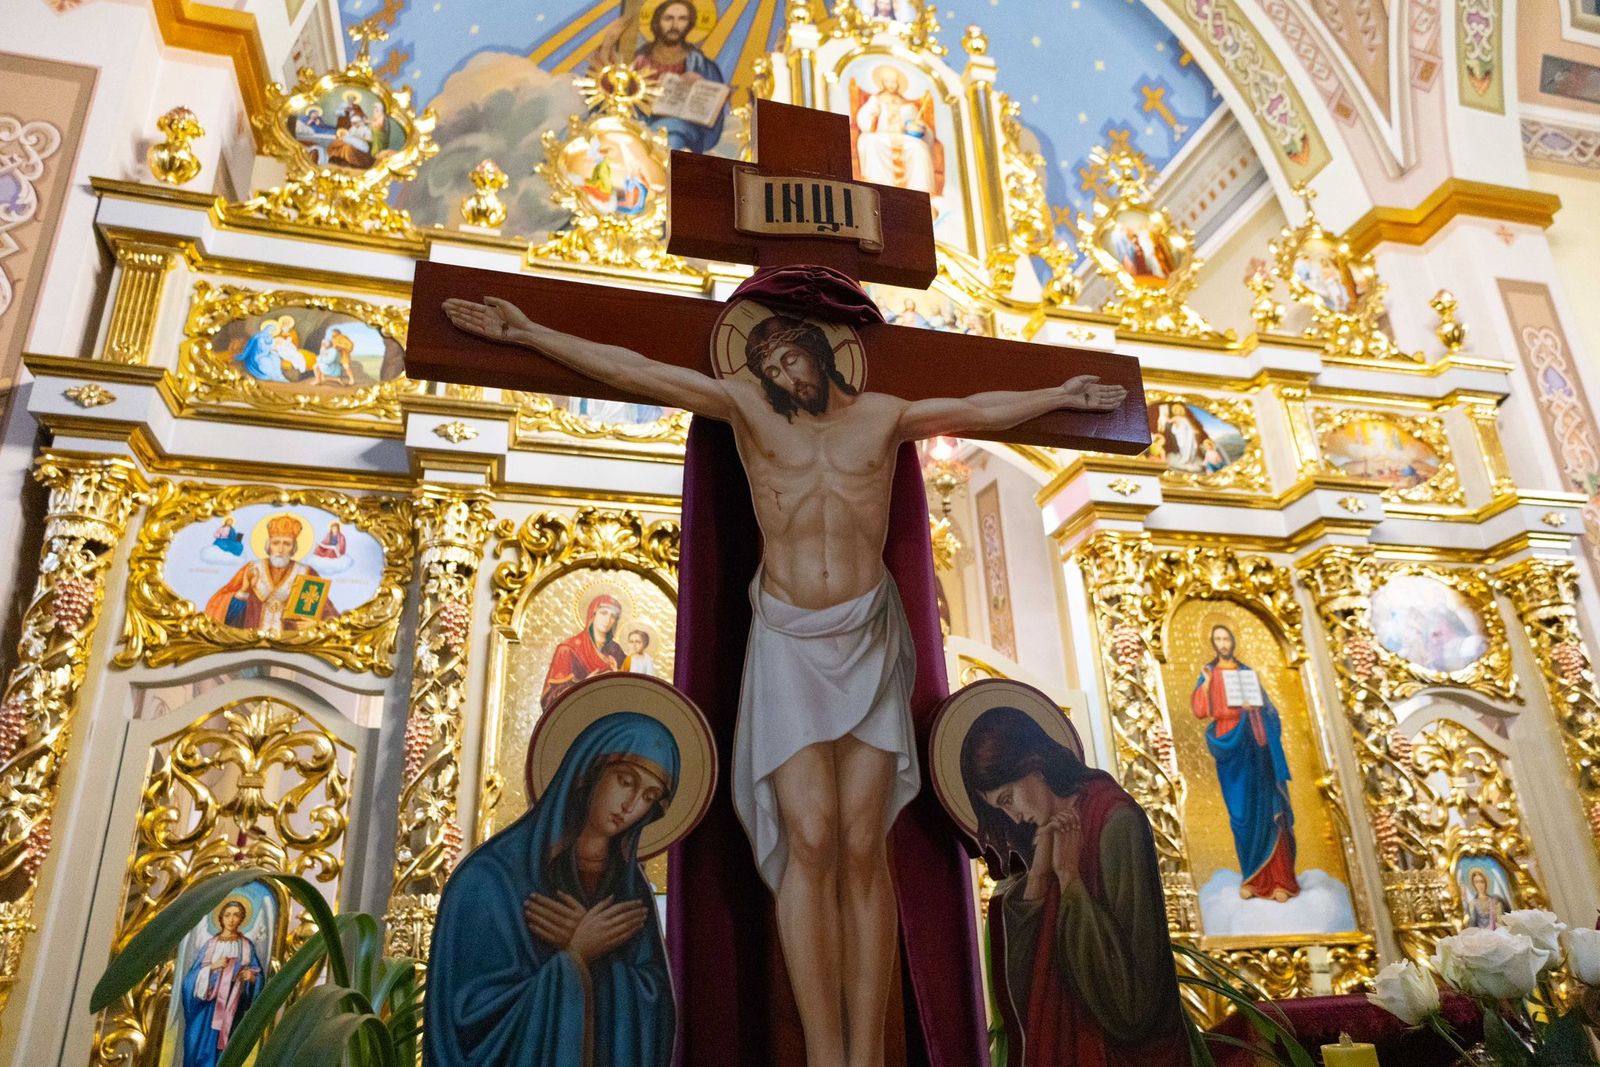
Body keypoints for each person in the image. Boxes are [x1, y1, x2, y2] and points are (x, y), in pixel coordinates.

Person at [442, 273, 1124, 1067]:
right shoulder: (748, 410)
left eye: (786, 359)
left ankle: (865, 1053)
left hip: (868, 635)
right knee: (810, 838)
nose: (776, 374)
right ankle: (825, 1051)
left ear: (817, 353)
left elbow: (976, 407)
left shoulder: (882, 415)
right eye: (764, 364)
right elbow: (639, 369)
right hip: (789, 639)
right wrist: (529, 333)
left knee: (863, 842)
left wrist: (1061, 393)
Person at [425, 712, 677, 1067]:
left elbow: (655, 1009)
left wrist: (592, 959)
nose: (631, 805)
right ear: (588, 771)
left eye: (649, 797)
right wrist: (575, 958)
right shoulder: (487, 878)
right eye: (625, 781)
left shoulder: (630, 891)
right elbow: (466, 1022)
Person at [961, 705, 1188, 1066]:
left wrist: (1069, 879)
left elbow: (1132, 1006)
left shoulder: (1115, 822)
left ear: (1034, 766)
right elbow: (1024, 994)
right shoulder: (1041, 839)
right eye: (1000, 808)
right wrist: (1039, 877)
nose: (1013, 816)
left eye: (1008, 799)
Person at [1190, 623, 1299, 902]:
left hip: (1255, 744)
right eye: (1218, 639)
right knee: (1241, 815)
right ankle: (1252, 878)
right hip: (1228, 745)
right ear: (1213, 643)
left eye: (1226, 638)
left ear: (1233, 641)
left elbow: (1272, 712)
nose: (1223, 643)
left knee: (1267, 808)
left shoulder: (1246, 673)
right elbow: (1200, 710)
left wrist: (1257, 709)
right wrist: (1206, 684)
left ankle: (1280, 881)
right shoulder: (1209, 673)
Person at [203, 513, 338, 634]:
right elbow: (222, 612)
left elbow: (328, 614)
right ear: (269, 546)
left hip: (290, 642)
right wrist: (244, 590)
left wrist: (317, 624)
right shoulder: (252, 569)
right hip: (253, 638)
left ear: (293, 548)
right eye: (275, 543)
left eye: (287, 544)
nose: (280, 549)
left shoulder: (307, 573)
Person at [179, 898, 265, 1067]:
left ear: (242, 919)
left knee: (225, 1051)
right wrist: (212, 967)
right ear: (221, 918)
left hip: (231, 1008)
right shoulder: (211, 945)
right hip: (206, 1008)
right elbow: (189, 980)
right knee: (198, 1048)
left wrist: (251, 977)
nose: (231, 919)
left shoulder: (246, 946)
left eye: (236, 915)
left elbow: (258, 975)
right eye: (227, 915)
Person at [633, 0, 726, 153]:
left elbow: (714, 114)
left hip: (682, 133)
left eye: (682, 19)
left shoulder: (700, 64)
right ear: (656, 21)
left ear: (690, 24)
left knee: (675, 133)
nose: (675, 25)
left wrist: (701, 86)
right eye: (668, 18)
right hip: (641, 126)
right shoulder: (638, 60)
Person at [855, 64, 936, 192]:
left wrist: (919, 127)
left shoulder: (908, 105)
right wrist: (874, 116)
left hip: (904, 138)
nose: (891, 85)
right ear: (882, 83)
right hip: (880, 135)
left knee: (918, 148)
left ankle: (920, 192)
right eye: (888, 81)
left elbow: (919, 125)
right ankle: (877, 187)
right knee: (871, 142)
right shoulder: (875, 100)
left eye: (894, 82)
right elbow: (864, 121)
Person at [541, 594, 626, 710]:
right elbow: (550, 700)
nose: (608, 620)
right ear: (593, 614)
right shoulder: (568, 649)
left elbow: (629, 692)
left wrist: (618, 675)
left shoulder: (616, 651)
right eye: (603, 613)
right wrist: (584, 686)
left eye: (613, 616)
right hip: (578, 715)